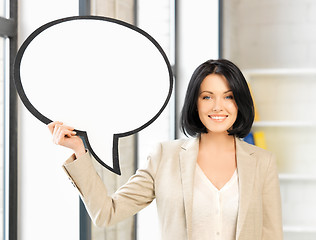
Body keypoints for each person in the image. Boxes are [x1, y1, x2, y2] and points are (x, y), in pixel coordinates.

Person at [48, 59, 283, 240]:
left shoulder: (263, 162)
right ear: (195, 102)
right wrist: (79, 151)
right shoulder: (164, 157)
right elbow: (106, 213)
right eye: (207, 97)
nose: (218, 107)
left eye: (228, 96)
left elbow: (272, 235)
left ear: (239, 102)